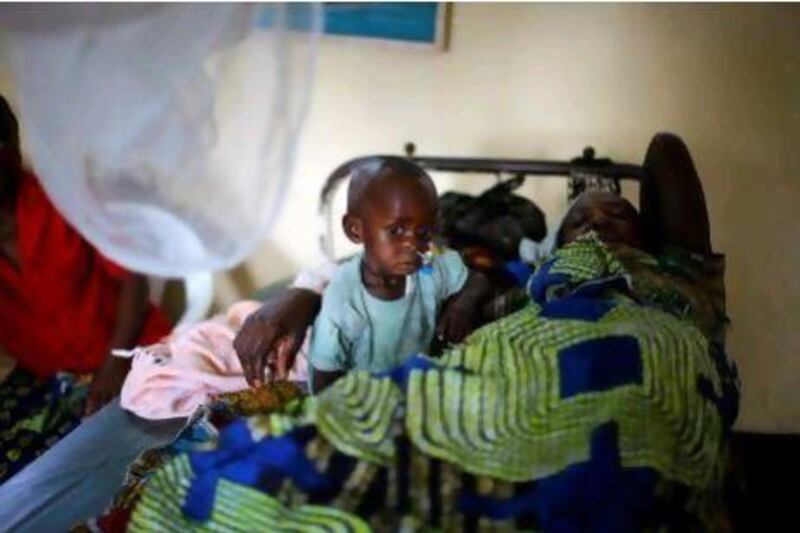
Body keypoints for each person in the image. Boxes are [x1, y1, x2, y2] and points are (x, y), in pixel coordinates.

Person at [0, 95, 172, 482]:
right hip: (45, 374)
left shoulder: (65, 196)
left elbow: (132, 276)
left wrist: (114, 363)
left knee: (131, 471)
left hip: (126, 355)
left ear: (10, 148)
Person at [307, 157, 491, 392]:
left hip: (415, 383)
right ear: (356, 230)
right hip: (360, 395)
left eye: (424, 232)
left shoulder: (430, 264)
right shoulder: (344, 299)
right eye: (396, 230)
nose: (412, 243)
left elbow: (478, 281)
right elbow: (325, 380)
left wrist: (463, 305)